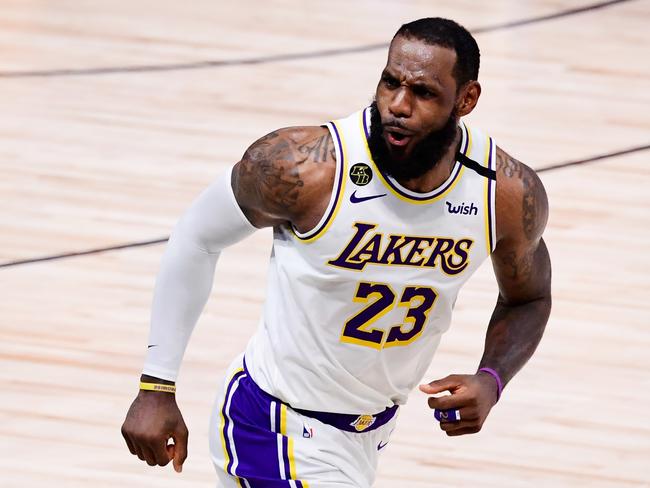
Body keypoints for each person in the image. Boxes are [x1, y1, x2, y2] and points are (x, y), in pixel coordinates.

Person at [121, 17, 551, 488]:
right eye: (390, 83)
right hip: (273, 427)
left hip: (367, 435)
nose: (398, 106)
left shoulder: (504, 193)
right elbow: (196, 237)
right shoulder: (304, 167)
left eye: (423, 93)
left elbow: (529, 297)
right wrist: (156, 385)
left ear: (466, 99)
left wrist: (492, 378)